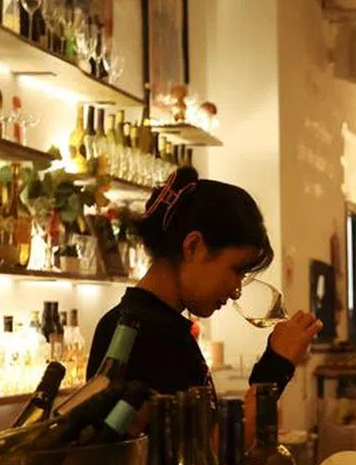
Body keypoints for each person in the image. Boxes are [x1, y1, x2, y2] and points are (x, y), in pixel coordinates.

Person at [88, 167, 322, 400]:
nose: (236, 291)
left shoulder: (161, 326)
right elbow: (211, 438)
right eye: (236, 270)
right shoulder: (135, 334)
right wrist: (276, 367)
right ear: (193, 247)